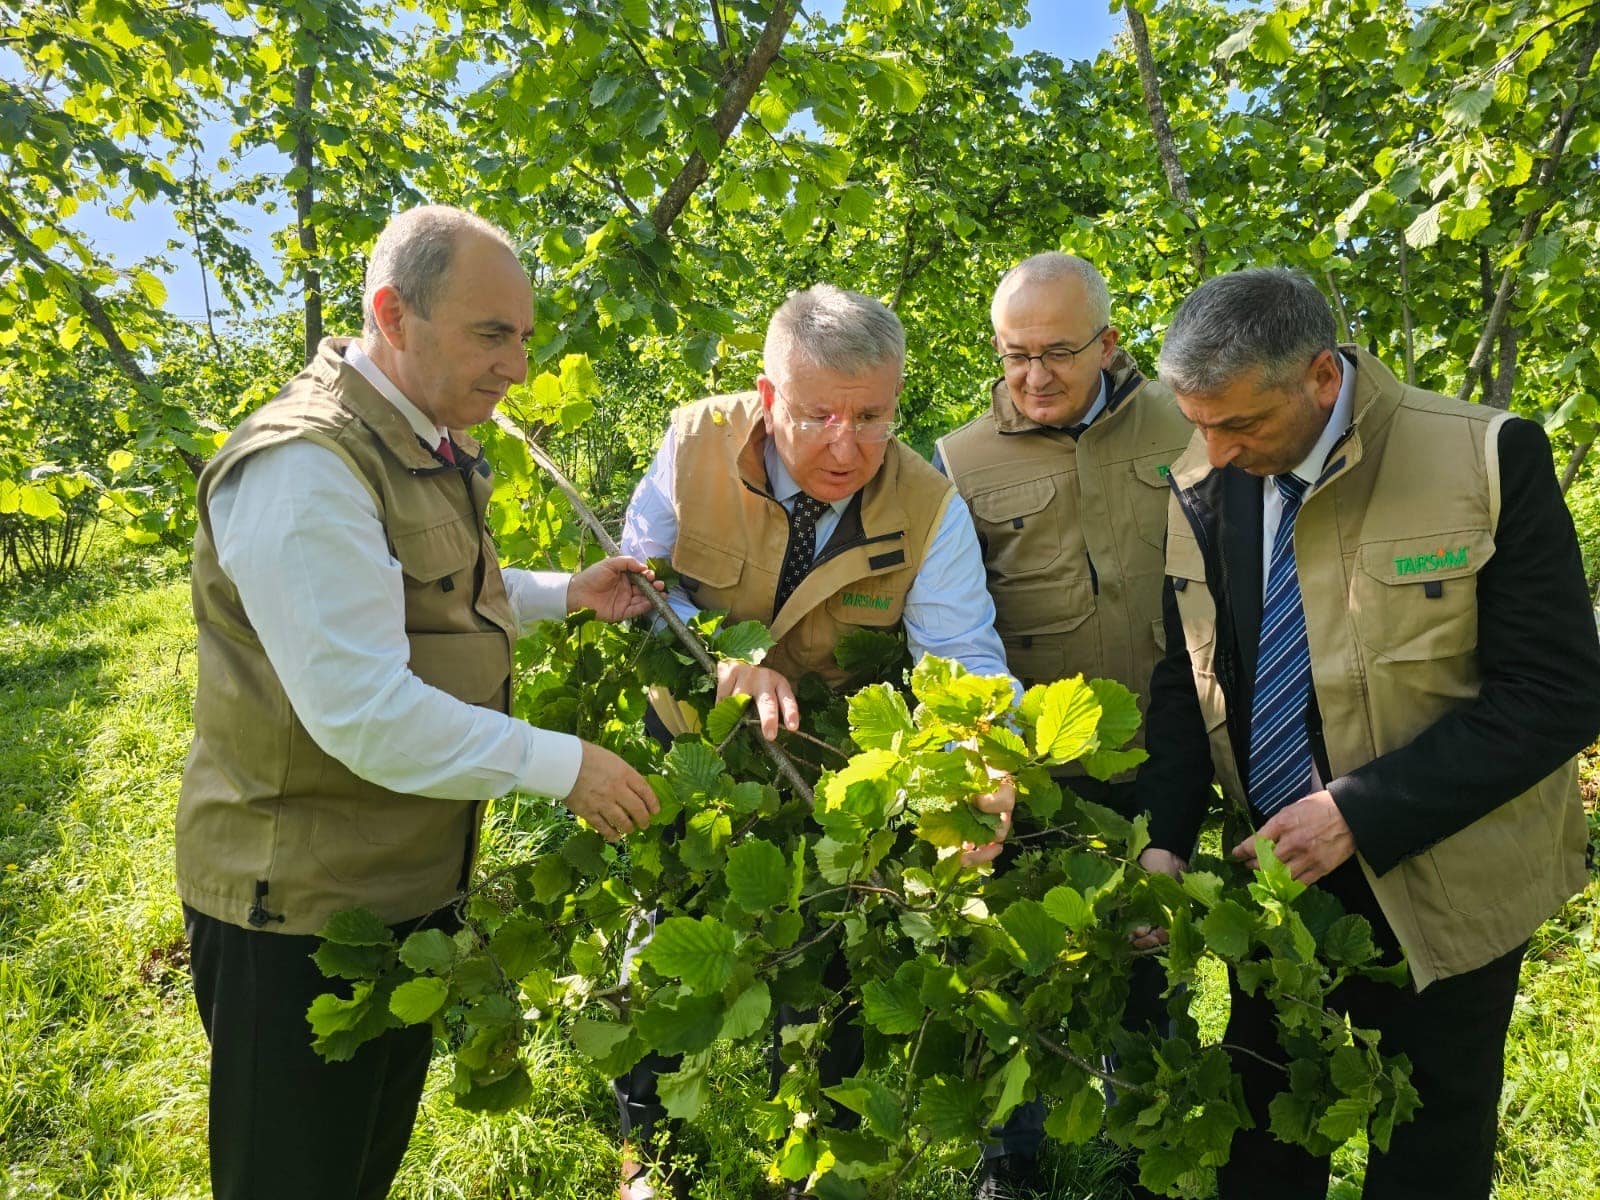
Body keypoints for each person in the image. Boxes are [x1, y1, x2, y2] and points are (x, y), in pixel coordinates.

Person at [176, 205, 664, 1200]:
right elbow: (360, 710)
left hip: (397, 886)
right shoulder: (304, 467)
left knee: (357, 1165)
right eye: (493, 334)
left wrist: (562, 593)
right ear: (394, 314)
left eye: (524, 337)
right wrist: (563, 765)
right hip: (298, 914)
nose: (518, 367)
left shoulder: (419, 437)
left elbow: (428, 598)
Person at [1135, 267, 1600, 1199]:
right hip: (1273, 876)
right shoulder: (1205, 477)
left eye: (1240, 426)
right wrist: (1164, 839)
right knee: (1265, 1135)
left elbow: (1559, 692)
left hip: (1449, 878)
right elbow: (1187, 678)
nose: (1216, 451)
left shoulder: (1483, 456)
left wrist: (1359, 811)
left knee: (1430, 1142)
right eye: (1199, 424)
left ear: (1320, 377)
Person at [617, 283, 1018, 1199]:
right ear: (767, 396)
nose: (848, 446)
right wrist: (721, 657)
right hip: (690, 743)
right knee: (664, 939)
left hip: (831, 769)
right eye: (818, 415)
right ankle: (650, 1160)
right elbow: (638, 587)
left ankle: (805, 1167)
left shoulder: (929, 505)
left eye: (873, 416)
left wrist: (986, 757)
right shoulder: (691, 444)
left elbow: (964, 658)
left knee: (823, 960)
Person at [936, 252, 1193, 1199]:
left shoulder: (1184, 423)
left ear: (1109, 343)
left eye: (1057, 352)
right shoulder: (957, 461)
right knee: (1016, 963)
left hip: (1167, 749)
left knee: (1145, 960)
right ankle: (1011, 1160)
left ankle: (1144, 1150)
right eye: (1014, 356)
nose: (1034, 376)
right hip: (1028, 769)